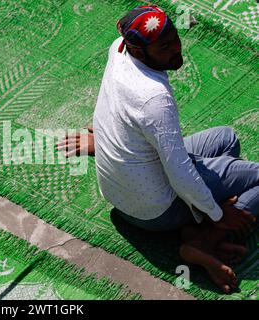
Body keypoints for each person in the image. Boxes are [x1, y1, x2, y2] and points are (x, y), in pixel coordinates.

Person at [57, 4, 258, 293]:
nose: (177, 49)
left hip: (121, 199)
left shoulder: (118, 49)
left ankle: (192, 226)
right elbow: (179, 172)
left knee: (227, 139)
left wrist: (104, 141)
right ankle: (205, 239)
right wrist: (217, 213)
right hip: (156, 213)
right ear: (139, 51)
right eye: (165, 47)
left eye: (175, 38)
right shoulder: (155, 99)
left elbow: (111, 107)